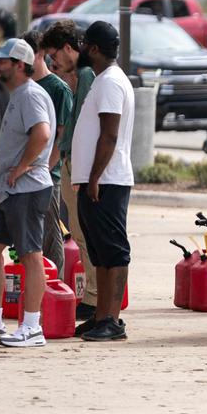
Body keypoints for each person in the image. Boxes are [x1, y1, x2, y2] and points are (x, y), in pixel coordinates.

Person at [0, 38, 55, 348]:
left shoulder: (30, 95)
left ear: (20, 65)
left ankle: (32, 328)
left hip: (27, 189)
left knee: (30, 255)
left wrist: (22, 166)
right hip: (12, 192)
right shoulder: (19, 95)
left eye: (2, 61)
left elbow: (43, 133)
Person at [71, 22, 135, 342]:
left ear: (94, 49)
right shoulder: (103, 80)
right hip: (95, 179)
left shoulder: (111, 81)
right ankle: (100, 316)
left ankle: (112, 320)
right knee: (99, 252)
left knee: (113, 251)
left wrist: (95, 177)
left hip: (107, 180)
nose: (80, 49)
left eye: (84, 44)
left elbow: (109, 135)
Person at [41, 20, 97, 321]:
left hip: (78, 163)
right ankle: (92, 294)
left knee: (84, 233)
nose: (54, 63)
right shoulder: (78, 75)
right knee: (77, 231)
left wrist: (75, 165)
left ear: (67, 47)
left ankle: (93, 296)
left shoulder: (86, 75)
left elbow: (81, 123)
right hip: (73, 162)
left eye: (55, 55)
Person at [22, 28, 73, 272]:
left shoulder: (58, 89)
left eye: (28, 55)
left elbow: (61, 139)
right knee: (29, 240)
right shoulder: (24, 87)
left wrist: (44, 169)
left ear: (41, 53)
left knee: (51, 239)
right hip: (25, 174)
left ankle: (55, 286)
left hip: (47, 176)